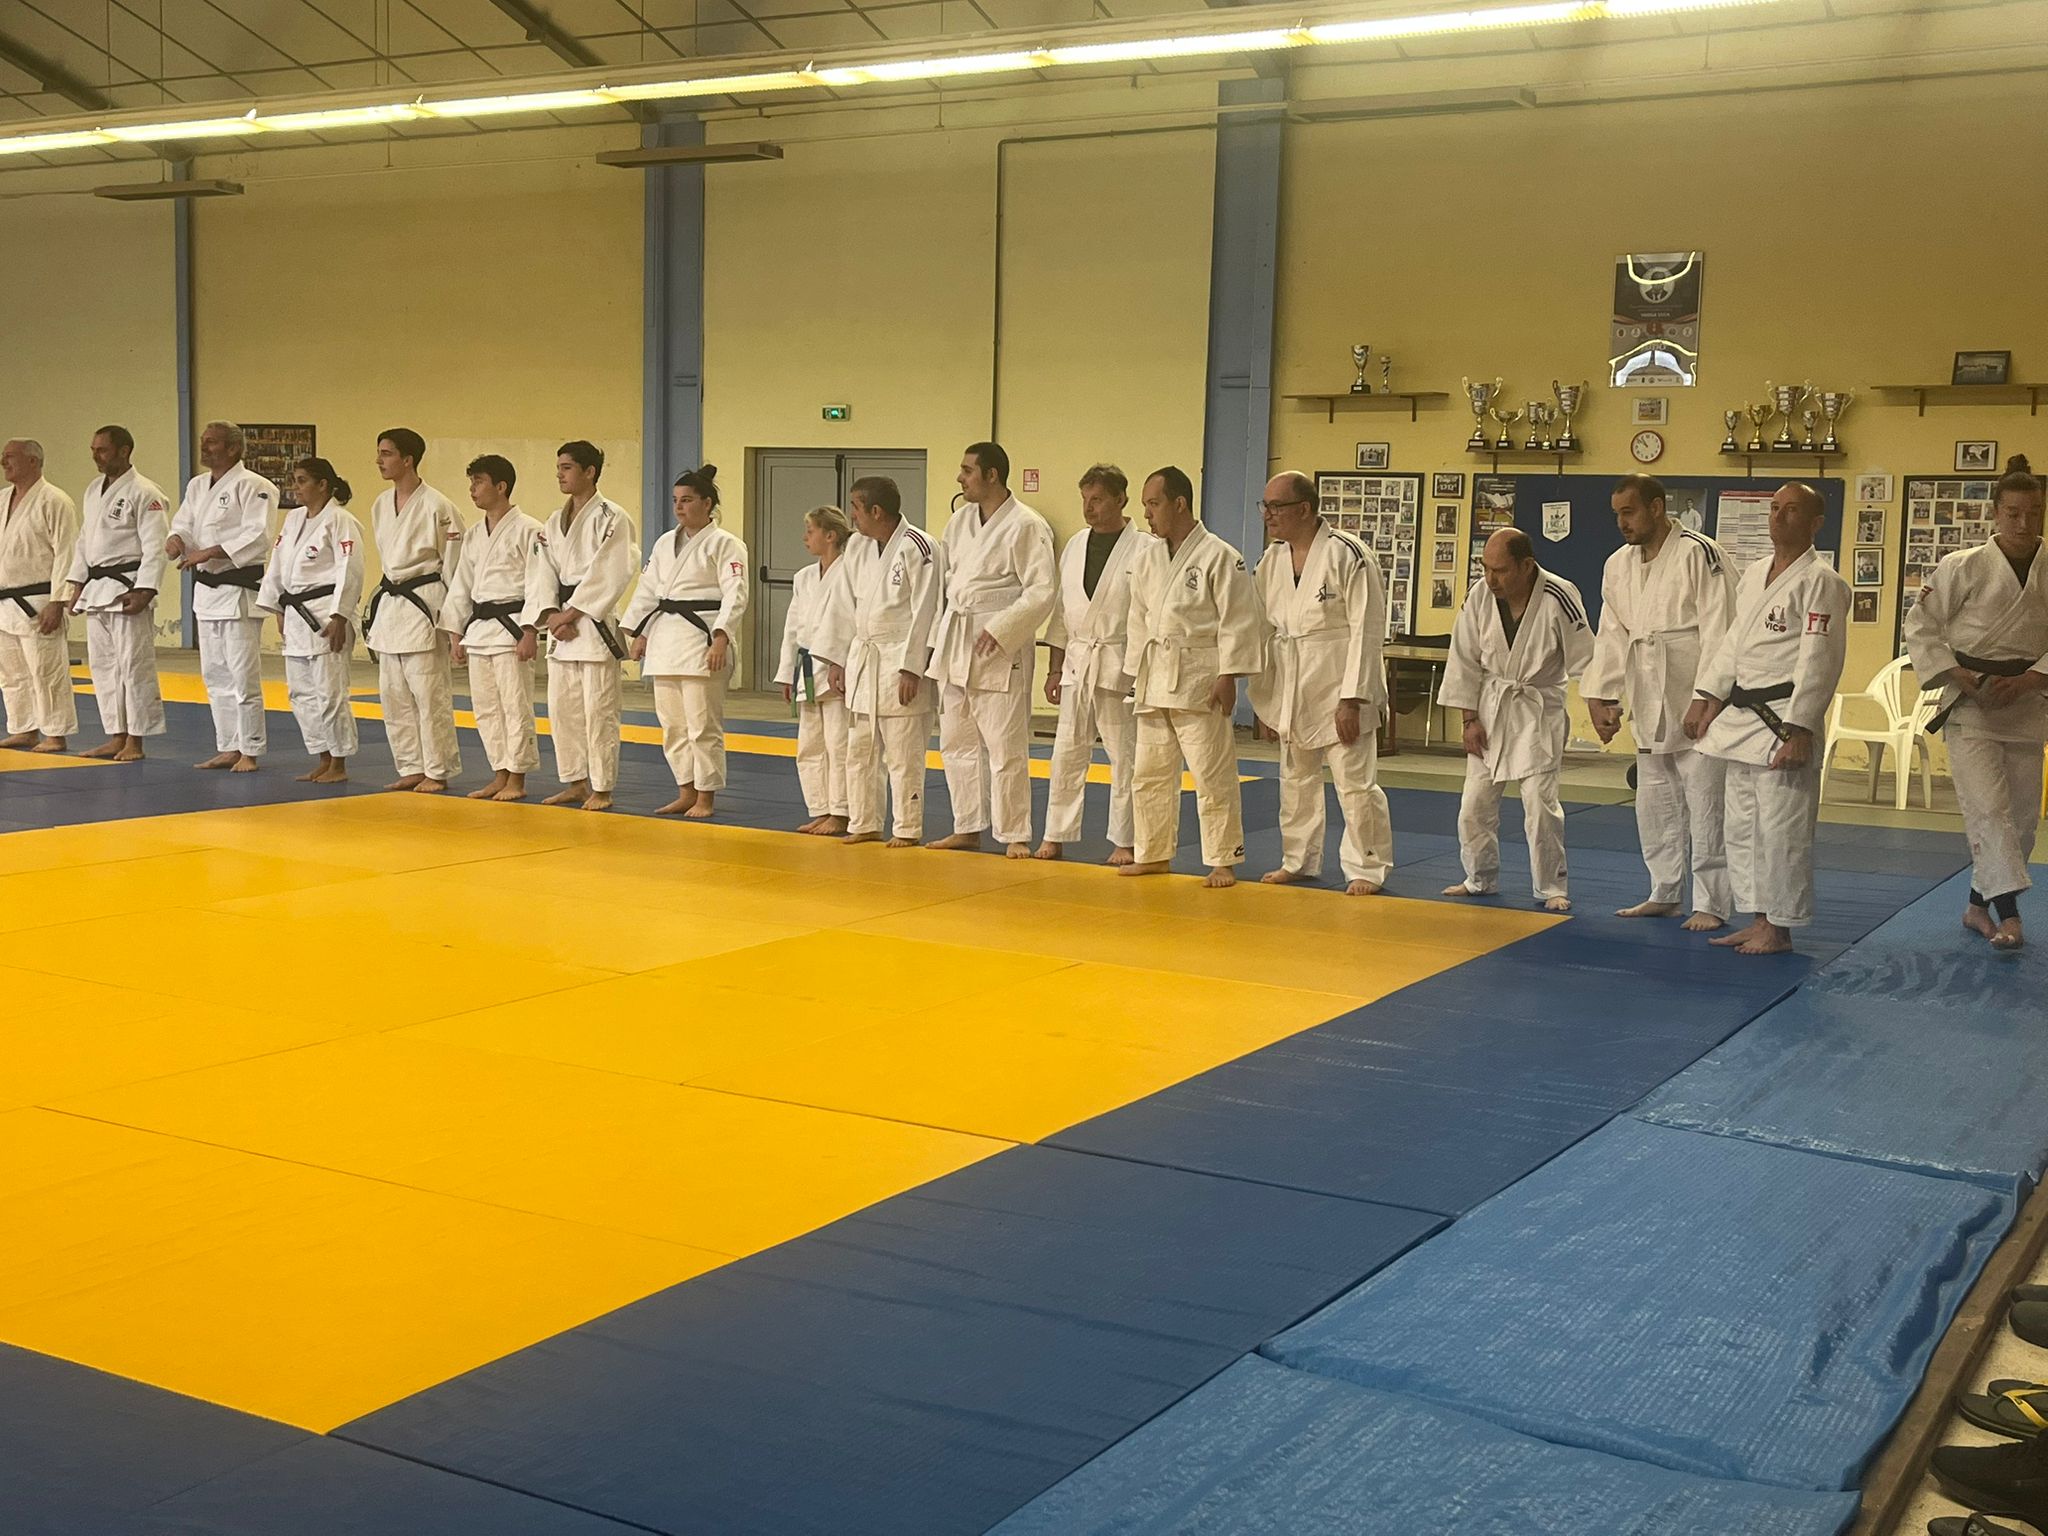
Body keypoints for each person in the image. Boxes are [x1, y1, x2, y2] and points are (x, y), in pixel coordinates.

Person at [1685, 483, 1851, 955]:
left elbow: (1820, 660)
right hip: (1741, 719)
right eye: (1775, 508)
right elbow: (1733, 643)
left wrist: (1801, 730)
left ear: (1815, 523)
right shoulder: (1756, 572)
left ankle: (1780, 928)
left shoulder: (1822, 581)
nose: (1778, 517)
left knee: (1782, 832)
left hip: (1783, 721)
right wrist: (1708, 696)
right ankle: (1758, 918)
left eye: (1791, 510)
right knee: (1742, 828)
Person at [1903, 453, 2048, 950]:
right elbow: (1921, 626)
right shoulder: (1960, 566)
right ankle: (2009, 916)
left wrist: (2030, 680)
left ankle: (1975, 907)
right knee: (1988, 810)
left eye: (2034, 513)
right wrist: (1957, 675)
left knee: (2023, 821)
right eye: (2013, 513)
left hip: (2028, 702)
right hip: (1973, 703)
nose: (2023, 523)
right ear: (1995, 512)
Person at [1582, 473, 1737, 928]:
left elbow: (1722, 629)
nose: (1622, 523)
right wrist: (1601, 694)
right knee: (1654, 800)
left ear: (1656, 507)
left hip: (1695, 693)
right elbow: (1612, 633)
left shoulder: (1700, 553)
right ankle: (1665, 890)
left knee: (1706, 802)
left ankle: (1711, 902)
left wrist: (1708, 695)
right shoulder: (1617, 564)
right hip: (1648, 692)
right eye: (1617, 514)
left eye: (1629, 512)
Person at [1249, 469, 1395, 896]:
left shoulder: (1348, 554)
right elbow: (1261, 630)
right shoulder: (1271, 561)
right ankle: (1298, 860)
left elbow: (1368, 629)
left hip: (1339, 686)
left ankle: (1367, 866)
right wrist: (1267, 699)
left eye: (1276, 506)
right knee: (1295, 781)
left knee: (1355, 783)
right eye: (1265, 506)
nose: (1267, 514)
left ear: (1304, 509)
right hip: (1292, 684)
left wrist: (1353, 699)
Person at [1120, 465, 1266, 888]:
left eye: (1154, 504)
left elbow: (1239, 620)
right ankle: (1152, 853)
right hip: (1154, 676)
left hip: (1201, 676)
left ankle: (1223, 859)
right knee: (1148, 774)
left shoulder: (1220, 556)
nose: (1147, 514)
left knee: (1211, 774)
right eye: (1145, 505)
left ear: (1179, 503)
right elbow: (1138, 619)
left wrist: (1229, 675)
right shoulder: (1147, 558)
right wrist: (1134, 673)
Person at [1439, 527, 1594, 912]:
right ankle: (1479, 878)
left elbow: (1586, 658)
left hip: (1538, 709)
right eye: (1486, 568)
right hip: (1490, 709)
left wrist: (1600, 704)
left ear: (1527, 566)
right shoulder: (1479, 595)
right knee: (1474, 804)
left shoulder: (1560, 595)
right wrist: (1468, 720)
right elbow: (1463, 660)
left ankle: (1551, 885)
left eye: (1500, 570)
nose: (1491, 579)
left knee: (1540, 805)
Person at [925, 441, 1057, 858]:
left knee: (1005, 744)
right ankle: (967, 826)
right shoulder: (960, 521)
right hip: (958, 638)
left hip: (999, 645)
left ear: (992, 475)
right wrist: (935, 641)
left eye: (967, 471)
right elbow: (947, 585)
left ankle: (1014, 832)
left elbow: (1042, 590)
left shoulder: (1027, 525)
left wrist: (1003, 629)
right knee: (956, 741)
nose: (960, 478)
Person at [1037, 464, 1152, 865]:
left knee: (1125, 757)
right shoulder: (1074, 545)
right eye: (1085, 499)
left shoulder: (1146, 548)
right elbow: (1061, 612)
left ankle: (1125, 841)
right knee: (1066, 753)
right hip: (1077, 663)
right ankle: (1055, 834)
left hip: (1121, 665)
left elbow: (1149, 615)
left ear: (1121, 499)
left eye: (1098, 499)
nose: (1089, 507)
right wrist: (1054, 668)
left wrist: (1142, 672)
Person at [624, 464, 748, 818]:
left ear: (707, 504)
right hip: (665, 637)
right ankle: (685, 790)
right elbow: (648, 589)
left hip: (702, 638)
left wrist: (721, 638)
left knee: (702, 725)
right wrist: (640, 632)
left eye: (688, 500)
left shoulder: (726, 544)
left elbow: (736, 593)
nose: (679, 506)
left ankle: (706, 796)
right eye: (676, 500)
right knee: (673, 726)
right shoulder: (665, 542)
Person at [832, 475, 940, 848]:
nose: (852, 515)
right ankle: (864, 822)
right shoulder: (857, 546)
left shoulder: (919, 546)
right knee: (860, 751)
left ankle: (907, 828)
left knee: (903, 754)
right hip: (864, 658)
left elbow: (927, 609)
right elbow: (843, 606)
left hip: (899, 659)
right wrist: (837, 659)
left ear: (876, 511)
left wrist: (913, 667)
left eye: (856, 508)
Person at [527, 440, 634, 811]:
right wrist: (551, 615)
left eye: (567, 467)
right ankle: (575, 782)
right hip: (562, 626)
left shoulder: (612, 517)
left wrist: (572, 612)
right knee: (563, 711)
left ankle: (602, 788)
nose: (560, 474)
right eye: (558, 467)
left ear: (590, 471)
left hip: (593, 623)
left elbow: (613, 570)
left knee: (599, 711)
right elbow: (541, 573)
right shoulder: (552, 521)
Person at [168, 420, 277, 771]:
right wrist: (176, 540)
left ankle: (250, 749)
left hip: (237, 592)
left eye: (212, 442)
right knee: (215, 675)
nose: (204, 447)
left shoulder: (256, 486)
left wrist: (211, 551)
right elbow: (184, 523)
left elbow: (258, 536)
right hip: (207, 593)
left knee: (243, 675)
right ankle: (229, 745)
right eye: (203, 441)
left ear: (233, 448)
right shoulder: (197, 485)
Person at [440, 454, 542, 802]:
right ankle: (499, 773)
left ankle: (517, 777)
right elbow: (461, 585)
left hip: (512, 628)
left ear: (501, 486)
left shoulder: (530, 529)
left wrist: (530, 631)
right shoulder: (473, 534)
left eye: (479, 481)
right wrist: (455, 634)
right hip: (480, 630)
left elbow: (539, 583)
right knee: (485, 708)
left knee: (515, 705)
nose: (472, 489)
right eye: (471, 482)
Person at [366, 427, 463, 793]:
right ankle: (410, 766)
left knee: (429, 694)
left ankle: (437, 769)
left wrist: (455, 623)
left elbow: (455, 568)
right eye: (379, 453)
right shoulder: (380, 504)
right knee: (393, 694)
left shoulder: (439, 506)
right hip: (392, 604)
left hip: (425, 603)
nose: (379, 460)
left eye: (387, 453)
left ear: (408, 460)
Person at [256, 458, 364, 783]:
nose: (296, 487)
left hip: (326, 613)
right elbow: (277, 564)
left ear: (323, 485)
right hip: (295, 614)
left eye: (302, 480)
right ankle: (323, 757)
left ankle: (339, 763)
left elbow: (350, 569)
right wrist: (277, 608)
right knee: (301, 693)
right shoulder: (293, 519)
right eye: (295, 480)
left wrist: (340, 615)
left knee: (330, 693)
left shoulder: (341, 520)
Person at [67, 425, 168, 760]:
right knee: (104, 667)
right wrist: (77, 584)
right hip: (97, 589)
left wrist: (145, 590)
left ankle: (136, 741)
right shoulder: (93, 490)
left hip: (127, 588)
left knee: (134, 666)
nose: (96, 456)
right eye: (93, 450)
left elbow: (155, 546)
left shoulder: (145, 492)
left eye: (102, 450)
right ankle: (116, 735)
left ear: (124, 451)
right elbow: (84, 542)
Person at [776, 504, 856, 835]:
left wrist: (843, 662)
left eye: (810, 531)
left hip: (836, 667)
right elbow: (792, 628)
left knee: (839, 744)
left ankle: (842, 811)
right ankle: (820, 808)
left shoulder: (851, 571)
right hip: (807, 666)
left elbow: (851, 622)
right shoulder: (804, 577)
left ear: (830, 535)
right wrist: (786, 673)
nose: (804, 537)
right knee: (809, 746)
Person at [0, 439, 79, 753]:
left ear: (33, 461)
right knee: (12, 672)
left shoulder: (55, 500)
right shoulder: (2, 499)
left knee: (47, 670)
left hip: (39, 601)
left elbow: (67, 552)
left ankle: (56, 733)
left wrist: (58, 601)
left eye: (10, 457)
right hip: (5, 601)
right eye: (3, 457)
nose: (4, 463)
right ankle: (24, 728)